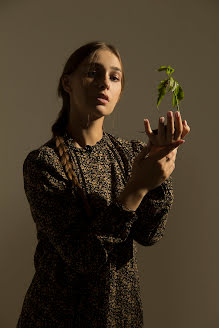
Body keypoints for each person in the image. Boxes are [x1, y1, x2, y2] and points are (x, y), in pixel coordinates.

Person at [16, 41, 190, 328]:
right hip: (59, 315)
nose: (104, 83)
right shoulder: (44, 163)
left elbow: (150, 234)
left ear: (120, 91)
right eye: (93, 73)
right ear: (67, 83)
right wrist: (136, 188)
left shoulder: (131, 154)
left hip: (121, 315)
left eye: (114, 76)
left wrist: (158, 176)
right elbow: (83, 256)